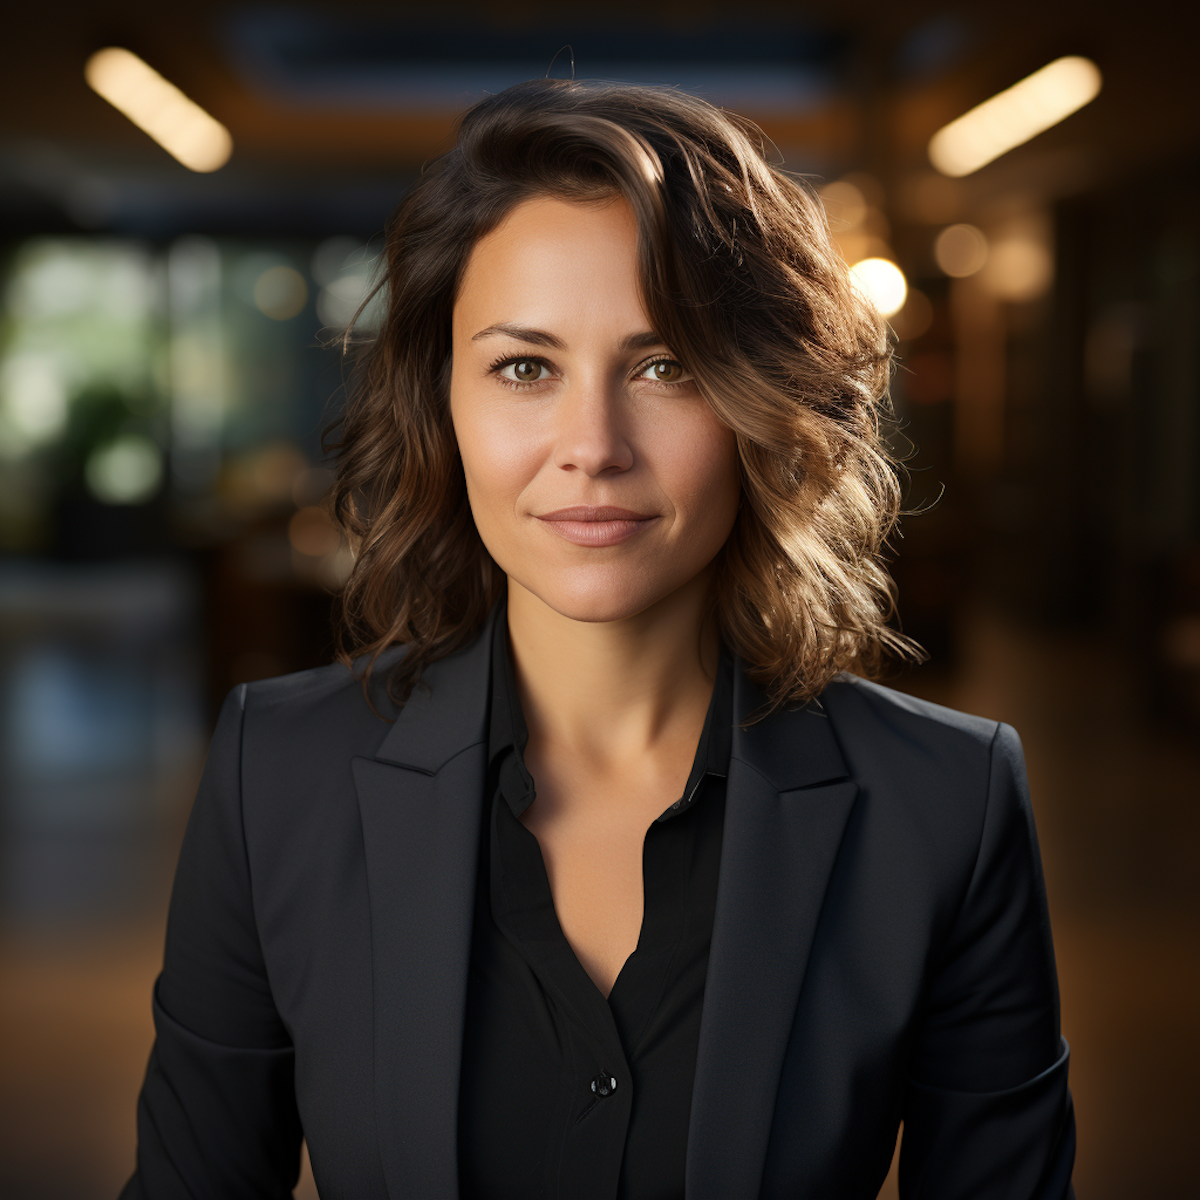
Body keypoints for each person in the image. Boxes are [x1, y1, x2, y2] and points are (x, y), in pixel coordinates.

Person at [122, 79, 1075, 1199]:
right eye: (526, 368)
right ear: (445, 405)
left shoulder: (946, 805)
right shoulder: (277, 774)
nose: (592, 445)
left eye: (665, 366)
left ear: (758, 403)